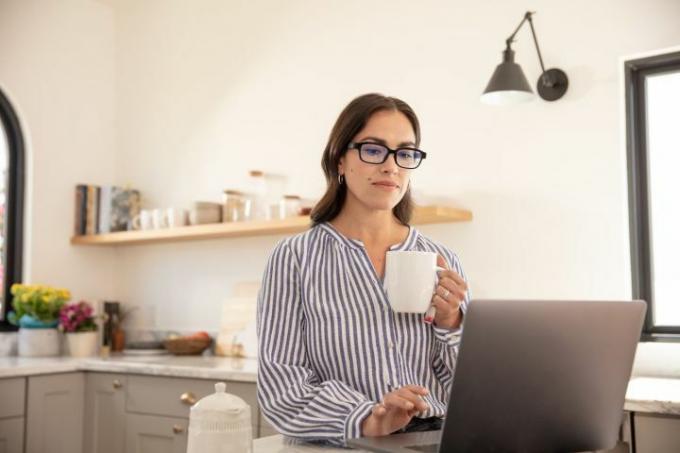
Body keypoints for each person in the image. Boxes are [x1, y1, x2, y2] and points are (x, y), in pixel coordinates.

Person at [256, 93, 470, 447]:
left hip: (432, 441)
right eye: (373, 150)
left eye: (405, 152)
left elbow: (469, 390)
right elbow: (282, 388)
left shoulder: (441, 258)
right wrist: (370, 419)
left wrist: (452, 324)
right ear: (340, 160)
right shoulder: (295, 257)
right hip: (347, 443)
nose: (391, 166)